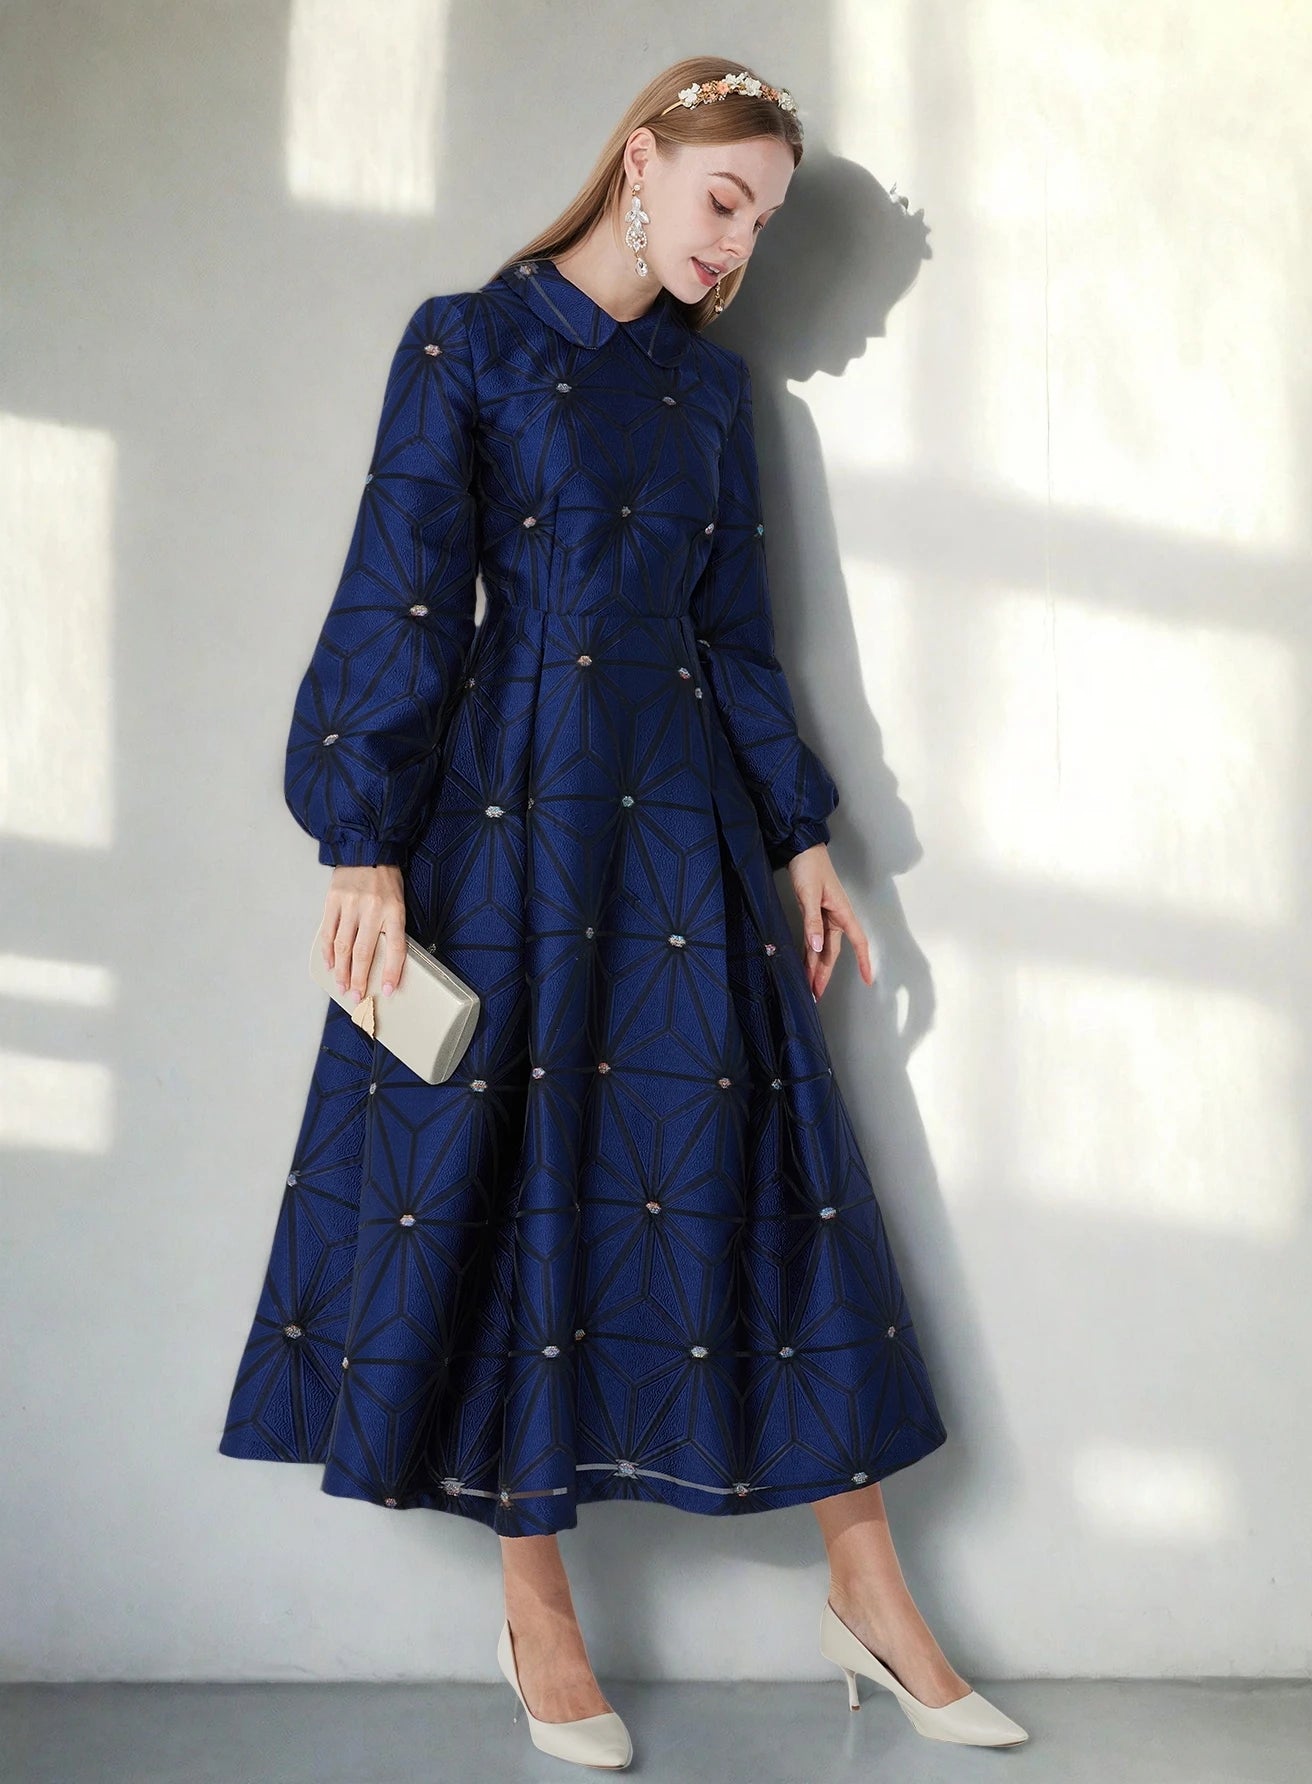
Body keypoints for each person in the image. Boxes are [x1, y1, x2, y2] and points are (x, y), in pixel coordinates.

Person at [218, 55, 1028, 1767]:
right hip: (507, 827)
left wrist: (802, 836)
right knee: (516, 1183)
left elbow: (736, 636)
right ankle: (539, 1612)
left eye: (766, 222)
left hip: (685, 837)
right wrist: (361, 839)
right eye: (727, 200)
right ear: (642, 162)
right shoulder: (467, 343)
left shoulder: (710, 397)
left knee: (779, 1181)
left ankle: (870, 1593)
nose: (738, 246)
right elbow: (402, 590)